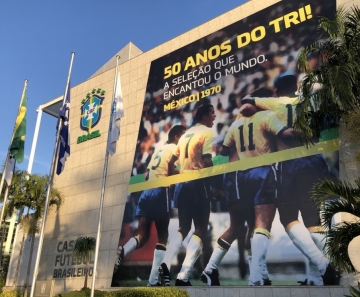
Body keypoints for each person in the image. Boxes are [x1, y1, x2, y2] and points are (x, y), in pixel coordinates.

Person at [242, 75, 336, 285]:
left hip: (290, 163)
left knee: (289, 219)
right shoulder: (310, 103)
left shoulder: (275, 103)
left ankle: (322, 265)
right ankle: (316, 278)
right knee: (314, 220)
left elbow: (246, 102)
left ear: (276, 90)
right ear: (296, 87)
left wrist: (257, 108)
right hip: (315, 160)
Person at [201, 102, 298, 286]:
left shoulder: (236, 125)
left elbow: (223, 149)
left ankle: (258, 272)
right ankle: (250, 273)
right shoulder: (264, 119)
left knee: (248, 227)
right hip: (246, 176)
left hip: (237, 178)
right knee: (253, 225)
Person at [114, 125, 186, 286]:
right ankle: (153, 280)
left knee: (142, 234)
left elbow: (146, 175)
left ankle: (123, 251)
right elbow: (172, 170)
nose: (185, 138)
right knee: (163, 237)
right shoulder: (176, 149)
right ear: (175, 136)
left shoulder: (158, 150)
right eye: (183, 135)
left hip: (146, 192)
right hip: (161, 191)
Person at [158, 104, 216, 286]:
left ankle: (165, 263)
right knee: (201, 228)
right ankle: (183, 276)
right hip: (198, 183)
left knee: (183, 228)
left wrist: (181, 175)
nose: (214, 116)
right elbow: (207, 161)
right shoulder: (206, 132)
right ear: (205, 116)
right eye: (212, 112)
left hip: (182, 186)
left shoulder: (184, 136)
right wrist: (214, 180)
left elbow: (170, 164)